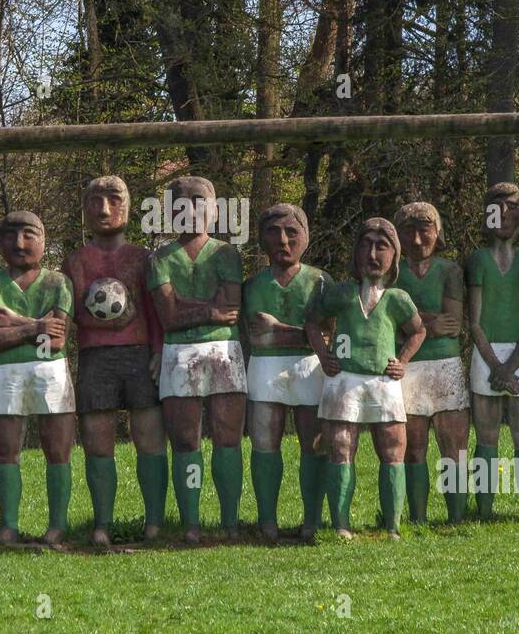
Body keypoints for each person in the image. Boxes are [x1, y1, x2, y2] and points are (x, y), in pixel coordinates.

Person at [306, 218, 425, 539]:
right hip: (343, 381)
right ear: (356, 252)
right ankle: (341, 525)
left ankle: (393, 526)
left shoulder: (398, 299)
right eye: (366, 245)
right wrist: (323, 354)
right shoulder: (341, 293)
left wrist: (402, 361)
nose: (373, 253)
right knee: (341, 447)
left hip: (383, 383)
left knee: (392, 448)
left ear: (394, 255)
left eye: (381, 246)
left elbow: (418, 330)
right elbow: (313, 323)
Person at [64, 176, 166, 545]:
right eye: (94, 201)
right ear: (84, 209)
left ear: (128, 205)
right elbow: (72, 312)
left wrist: (158, 350)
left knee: (149, 435)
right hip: (95, 357)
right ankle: (102, 524)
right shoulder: (75, 260)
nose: (104, 209)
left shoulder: (143, 258)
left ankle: (154, 521)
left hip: (139, 357)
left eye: (113, 199)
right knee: (97, 439)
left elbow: (157, 312)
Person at [147, 176, 245, 543]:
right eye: (180, 203)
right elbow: (168, 317)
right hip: (179, 355)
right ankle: (191, 521)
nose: (190, 209)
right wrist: (208, 312)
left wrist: (189, 307)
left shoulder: (226, 254)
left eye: (199, 200)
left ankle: (230, 520)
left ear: (215, 210)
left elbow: (230, 308)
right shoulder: (159, 258)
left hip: (224, 352)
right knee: (186, 440)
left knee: (227, 437)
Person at [0, 211, 76, 544]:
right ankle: (8, 524)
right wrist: (36, 326)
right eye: (10, 235)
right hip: (5, 374)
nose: (20, 243)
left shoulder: (58, 282)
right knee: (6, 449)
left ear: (44, 241)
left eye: (29, 234)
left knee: (57, 449)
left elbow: (57, 340)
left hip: (51, 372)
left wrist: (14, 324)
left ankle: (58, 524)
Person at [242, 204, 331, 541]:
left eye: (292, 232)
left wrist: (282, 329)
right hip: (265, 368)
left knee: (315, 443)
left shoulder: (321, 281)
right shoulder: (253, 286)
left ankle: (312, 519)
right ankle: (267, 520)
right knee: (265, 443)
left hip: (311, 368)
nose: (283, 240)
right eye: (274, 232)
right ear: (262, 238)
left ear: (306, 236)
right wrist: (308, 332)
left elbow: (330, 333)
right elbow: (257, 333)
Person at [465, 183, 519, 519]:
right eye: (497, 206)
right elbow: (475, 322)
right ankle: (484, 508)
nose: (504, 214)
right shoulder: (478, 260)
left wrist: (510, 367)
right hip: (486, 355)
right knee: (486, 436)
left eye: (512, 206)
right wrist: (496, 366)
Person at [394, 202, 470, 524]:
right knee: (413, 447)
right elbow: (391, 316)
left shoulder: (449, 270)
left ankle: (457, 516)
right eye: (409, 229)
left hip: (446, 364)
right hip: (409, 364)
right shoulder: (393, 271)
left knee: (453, 446)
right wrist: (426, 323)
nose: (417, 237)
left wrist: (413, 322)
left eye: (424, 228)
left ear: (437, 232)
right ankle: (417, 517)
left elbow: (452, 321)